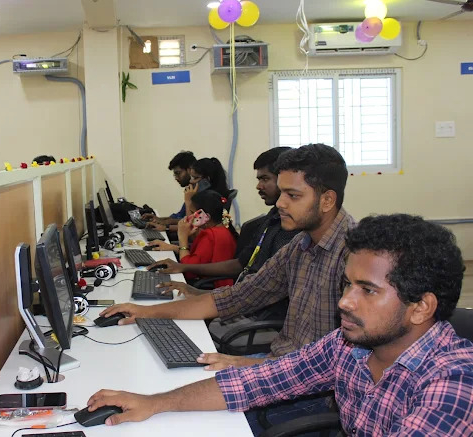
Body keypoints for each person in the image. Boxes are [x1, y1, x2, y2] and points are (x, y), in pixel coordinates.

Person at [85, 215, 473, 437]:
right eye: (347, 284)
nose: (345, 301)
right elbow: (260, 381)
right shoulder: (348, 345)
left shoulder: (452, 385)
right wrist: (155, 402)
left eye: (367, 290)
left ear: (421, 308)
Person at [101, 143, 353, 369]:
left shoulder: (354, 256)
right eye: (282, 192)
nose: (280, 203)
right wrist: (145, 311)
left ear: (327, 200)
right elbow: (239, 296)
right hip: (281, 366)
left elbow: (340, 363)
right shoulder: (300, 246)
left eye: (293, 195)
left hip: (305, 385)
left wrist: (244, 364)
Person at [148, 147, 298, 295]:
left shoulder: (291, 234)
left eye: (265, 179)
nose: (258, 186)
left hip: (241, 302)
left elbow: (259, 294)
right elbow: (240, 264)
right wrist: (185, 269)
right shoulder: (271, 219)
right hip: (235, 295)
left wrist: (197, 289)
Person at [171, 190, 237, 288]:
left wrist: (182, 237)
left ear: (206, 217)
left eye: (192, 213)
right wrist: (173, 247)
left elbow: (188, 269)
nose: (190, 217)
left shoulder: (210, 235)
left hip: (210, 289)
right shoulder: (222, 229)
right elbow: (201, 256)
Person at [142, 151, 196, 224]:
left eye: (178, 173)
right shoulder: (190, 190)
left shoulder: (199, 192)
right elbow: (179, 216)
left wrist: (165, 224)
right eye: (175, 174)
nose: (176, 178)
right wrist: (158, 219)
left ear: (190, 170)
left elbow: (190, 222)